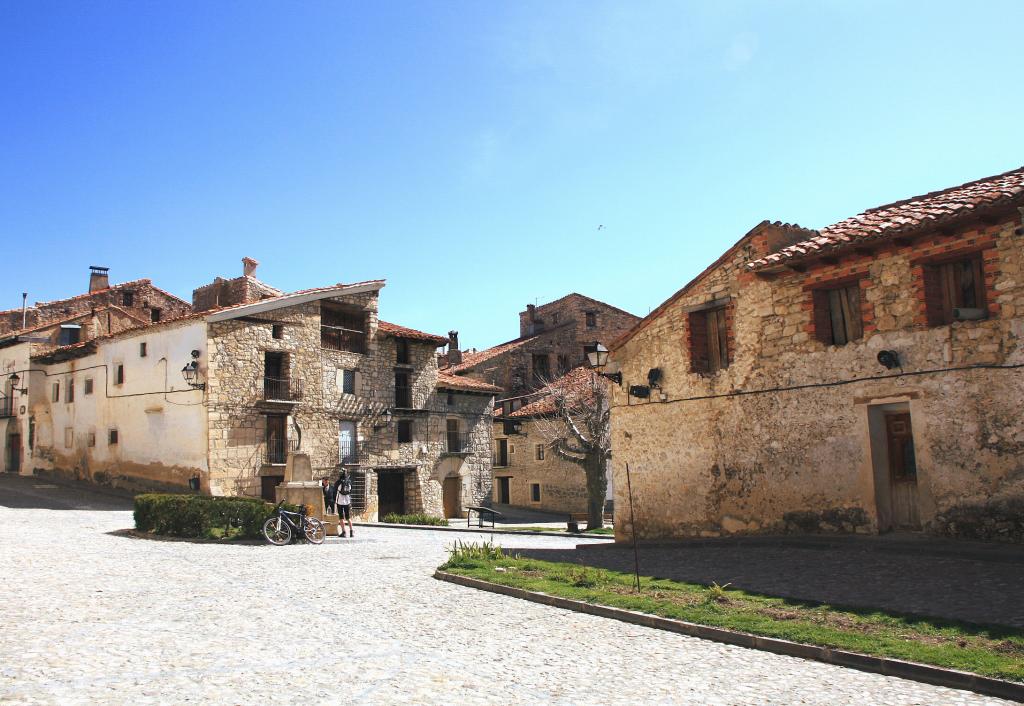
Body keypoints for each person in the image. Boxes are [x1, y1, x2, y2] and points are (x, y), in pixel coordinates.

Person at [335, 470, 354, 538]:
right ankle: (351, 532)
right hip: (347, 500)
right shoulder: (349, 481)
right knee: (348, 517)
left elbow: (335, 490)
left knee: (341, 517)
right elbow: (351, 490)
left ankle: (344, 532)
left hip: (340, 500)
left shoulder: (338, 482)